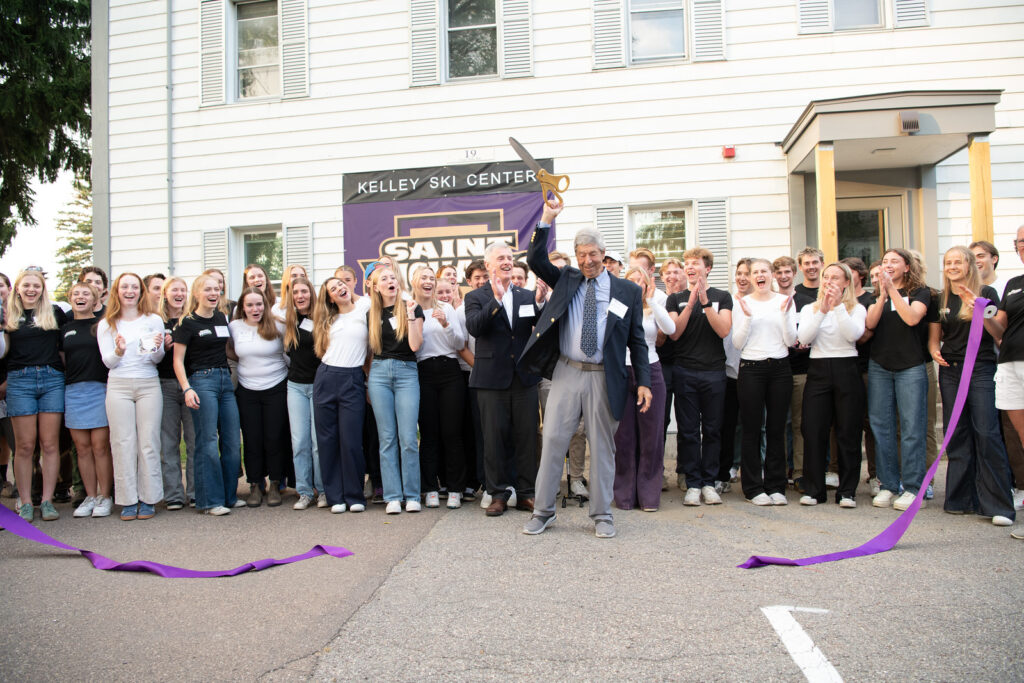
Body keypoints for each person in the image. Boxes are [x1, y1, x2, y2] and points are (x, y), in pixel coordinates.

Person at [521, 199, 652, 538]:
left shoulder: (627, 290)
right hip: (566, 371)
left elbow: (637, 340)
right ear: (576, 256)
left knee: (603, 445)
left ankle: (602, 514)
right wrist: (547, 217)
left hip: (604, 377)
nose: (588, 260)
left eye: (594, 254)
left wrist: (644, 382)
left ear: (604, 255)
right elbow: (535, 259)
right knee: (552, 439)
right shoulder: (567, 279)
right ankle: (543, 511)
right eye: (582, 255)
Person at [929, 245, 1014, 527]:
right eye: (947, 262)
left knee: (987, 431)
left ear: (969, 265)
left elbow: (999, 335)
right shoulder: (940, 297)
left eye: (958, 261)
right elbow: (935, 336)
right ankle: (960, 499)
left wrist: (978, 307)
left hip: (980, 368)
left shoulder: (987, 293)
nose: (952, 266)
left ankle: (997, 504)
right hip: (951, 370)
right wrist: (933, 350)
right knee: (958, 432)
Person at [465, 241, 540, 517]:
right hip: (490, 380)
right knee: (494, 440)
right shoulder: (476, 297)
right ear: (489, 265)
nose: (508, 261)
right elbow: (474, 327)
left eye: (510, 257)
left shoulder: (525, 295)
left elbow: (541, 326)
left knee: (526, 438)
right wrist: (496, 300)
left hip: (524, 378)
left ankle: (526, 493)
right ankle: (497, 493)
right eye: (501, 258)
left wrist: (541, 302)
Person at [865, 248, 931, 512]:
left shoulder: (921, 293)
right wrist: (882, 294)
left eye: (894, 261)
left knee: (912, 427)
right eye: (885, 262)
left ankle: (913, 487)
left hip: (911, 367)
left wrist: (892, 290)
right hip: (880, 366)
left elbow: (912, 318)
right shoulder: (875, 295)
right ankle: (888, 485)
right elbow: (870, 324)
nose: (888, 265)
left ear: (906, 267)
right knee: (881, 427)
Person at [666, 247, 733, 506]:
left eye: (695, 263)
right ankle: (693, 483)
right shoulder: (676, 299)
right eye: (687, 263)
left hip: (714, 372)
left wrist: (705, 302)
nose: (690, 267)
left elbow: (724, 330)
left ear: (708, 268)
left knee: (714, 430)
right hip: (685, 372)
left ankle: (709, 482)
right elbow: (674, 333)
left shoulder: (721, 296)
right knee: (689, 431)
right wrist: (691, 302)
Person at [797, 263, 867, 507]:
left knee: (848, 431)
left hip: (847, 368)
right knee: (813, 430)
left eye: (835, 278)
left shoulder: (856, 309)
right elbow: (804, 338)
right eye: (826, 277)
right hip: (818, 369)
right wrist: (823, 310)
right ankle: (814, 489)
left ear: (846, 282)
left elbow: (853, 335)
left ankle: (847, 491)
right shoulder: (810, 308)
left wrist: (837, 308)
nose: (829, 281)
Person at [97, 272, 166, 520]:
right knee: (123, 443)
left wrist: (157, 348)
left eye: (134, 287)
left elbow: (157, 359)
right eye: (124, 286)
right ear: (117, 291)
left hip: (148, 383)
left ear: (141, 291)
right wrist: (118, 351)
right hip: (118, 386)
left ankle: (149, 498)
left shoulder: (153, 319)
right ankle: (127, 500)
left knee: (148, 443)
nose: (129, 291)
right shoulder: (108, 323)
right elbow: (108, 362)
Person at [173, 274, 243, 515]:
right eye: (208, 290)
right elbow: (178, 360)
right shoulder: (186, 323)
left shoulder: (221, 316)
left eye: (217, 289)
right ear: (197, 293)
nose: (214, 293)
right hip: (201, 381)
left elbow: (228, 350)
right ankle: (210, 501)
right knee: (207, 442)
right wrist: (187, 388)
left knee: (233, 442)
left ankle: (229, 496)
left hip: (225, 380)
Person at [4, 268, 68, 521]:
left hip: (52, 379)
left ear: (43, 289)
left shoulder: (55, 313)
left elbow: (66, 348)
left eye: (37, 286)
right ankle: (27, 501)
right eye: (26, 285)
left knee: (50, 444)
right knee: (25, 446)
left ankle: (47, 501)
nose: (31, 290)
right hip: (20, 381)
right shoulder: (7, 315)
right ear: (17, 288)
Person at [732, 258, 797, 506]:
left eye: (763, 271)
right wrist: (747, 318)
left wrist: (783, 314)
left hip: (779, 368)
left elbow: (791, 341)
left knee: (777, 428)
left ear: (771, 275)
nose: (759, 275)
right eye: (754, 272)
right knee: (751, 428)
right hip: (751, 368)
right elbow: (737, 343)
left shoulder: (784, 301)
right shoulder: (742, 302)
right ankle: (752, 487)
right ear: (750, 277)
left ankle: (775, 485)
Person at [366, 265, 424, 514]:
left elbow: (414, 345)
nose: (390, 281)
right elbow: (368, 352)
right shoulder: (371, 312)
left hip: (406, 373)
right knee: (386, 438)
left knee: (408, 438)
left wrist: (410, 316)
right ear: (376, 287)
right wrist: (368, 380)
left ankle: (412, 495)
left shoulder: (412, 307)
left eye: (393, 277)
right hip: (378, 374)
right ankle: (392, 496)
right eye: (384, 279)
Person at [613, 267, 672, 511]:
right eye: (632, 281)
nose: (636, 285)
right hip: (622, 373)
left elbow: (670, 329)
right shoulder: (617, 306)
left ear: (648, 284)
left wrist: (650, 300)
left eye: (641, 282)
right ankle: (625, 496)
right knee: (624, 438)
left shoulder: (652, 308)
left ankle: (649, 495)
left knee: (652, 437)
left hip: (651, 371)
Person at [312, 277, 370, 513]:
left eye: (341, 285)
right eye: (333, 289)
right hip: (326, 377)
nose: (339, 289)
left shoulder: (365, 307)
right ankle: (335, 497)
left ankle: (354, 495)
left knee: (351, 440)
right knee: (327, 441)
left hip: (353, 378)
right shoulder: (327, 319)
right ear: (330, 298)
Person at [411, 265, 467, 508]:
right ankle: (430, 487)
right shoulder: (409, 309)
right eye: (423, 277)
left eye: (431, 278)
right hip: (423, 371)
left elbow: (460, 342)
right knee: (429, 432)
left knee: (452, 432)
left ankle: (455, 487)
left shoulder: (445, 308)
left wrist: (446, 324)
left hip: (450, 371)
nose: (428, 281)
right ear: (414, 282)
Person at [228, 287, 289, 507]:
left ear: (265, 304)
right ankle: (255, 484)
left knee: (274, 437)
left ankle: (274, 483)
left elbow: (289, 351)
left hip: (276, 386)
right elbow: (229, 351)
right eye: (250, 305)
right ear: (242, 308)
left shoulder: (278, 324)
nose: (255, 309)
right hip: (247, 389)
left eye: (259, 304)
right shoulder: (234, 327)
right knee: (252, 438)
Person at [61, 282, 113, 518]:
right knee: (82, 449)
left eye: (86, 294)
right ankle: (90, 496)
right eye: (76, 294)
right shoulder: (65, 327)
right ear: (70, 299)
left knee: (100, 447)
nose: (80, 297)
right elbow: (62, 359)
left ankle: (105, 496)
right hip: (73, 391)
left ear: (95, 300)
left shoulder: (102, 325)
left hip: (99, 389)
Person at [282, 275, 325, 510]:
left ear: (311, 293)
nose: (300, 296)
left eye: (304, 291)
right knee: (299, 441)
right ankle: (305, 491)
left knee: (318, 442)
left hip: (318, 385)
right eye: (296, 292)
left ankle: (324, 490)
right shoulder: (287, 321)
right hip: (295, 386)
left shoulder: (322, 318)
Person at [993, 226, 1024, 539]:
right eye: (1020, 242)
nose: (1023, 246)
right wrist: (982, 311)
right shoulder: (1013, 284)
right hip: (1010, 363)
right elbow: (997, 327)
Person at [840, 257, 878, 494]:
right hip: (846, 368)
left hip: (867, 368)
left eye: (850, 271)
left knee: (870, 423)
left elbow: (862, 335)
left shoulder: (868, 300)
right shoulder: (836, 301)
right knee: (844, 425)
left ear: (860, 275)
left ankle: (875, 474)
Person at [156, 276, 195, 510]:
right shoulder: (154, 321)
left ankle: (194, 492)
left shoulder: (191, 320)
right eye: (174, 290)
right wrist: (162, 347)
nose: (179, 294)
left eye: (183, 290)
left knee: (194, 441)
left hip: (191, 384)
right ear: (165, 294)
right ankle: (173, 495)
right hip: (165, 384)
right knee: (168, 441)